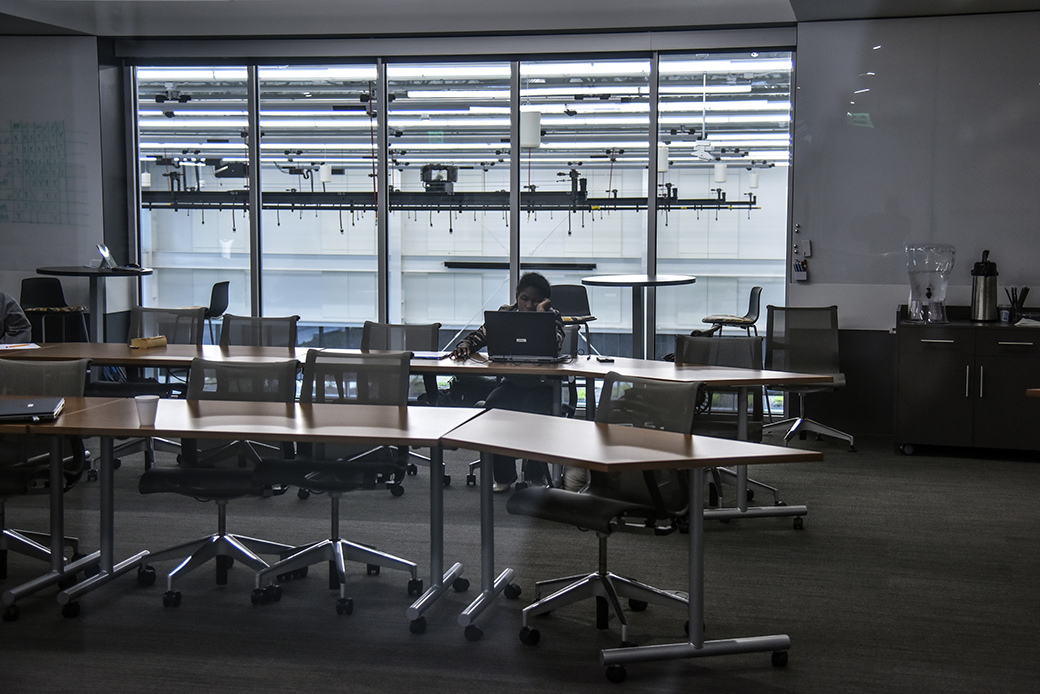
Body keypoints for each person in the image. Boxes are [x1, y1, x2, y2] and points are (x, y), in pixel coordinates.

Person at [450, 272, 564, 493]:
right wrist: (465, 345)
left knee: (534, 411)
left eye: (536, 300)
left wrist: (542, 315)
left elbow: (555, 344)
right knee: (493, 406)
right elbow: (478, 336)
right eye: (524, 298)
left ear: (545, 301)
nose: (529, 304)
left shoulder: (552, 317)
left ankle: (535, 475)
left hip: (543, 386)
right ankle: (504, 476)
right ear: (516, 296)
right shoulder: (505, 314)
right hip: (512, 384)